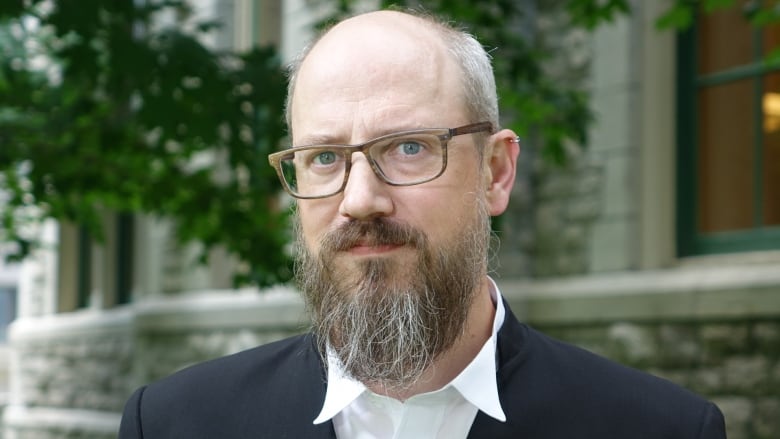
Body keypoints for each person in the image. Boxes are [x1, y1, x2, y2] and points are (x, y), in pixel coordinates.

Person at [118, 9, 726, 439]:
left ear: (495, 172)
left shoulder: (659, 427)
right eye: (324, 158)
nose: (360, 200)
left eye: (408, 147)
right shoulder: (175, 422)